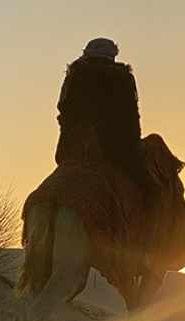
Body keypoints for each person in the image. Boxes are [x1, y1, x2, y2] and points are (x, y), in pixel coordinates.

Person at [54, 37, 158, 206]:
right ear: (112, 56)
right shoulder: (122, 78)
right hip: (113, 148)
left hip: (71, 148)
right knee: (150, 189)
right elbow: (131, 117)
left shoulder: (74, 75)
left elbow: (63, 109)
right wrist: (135, 147)